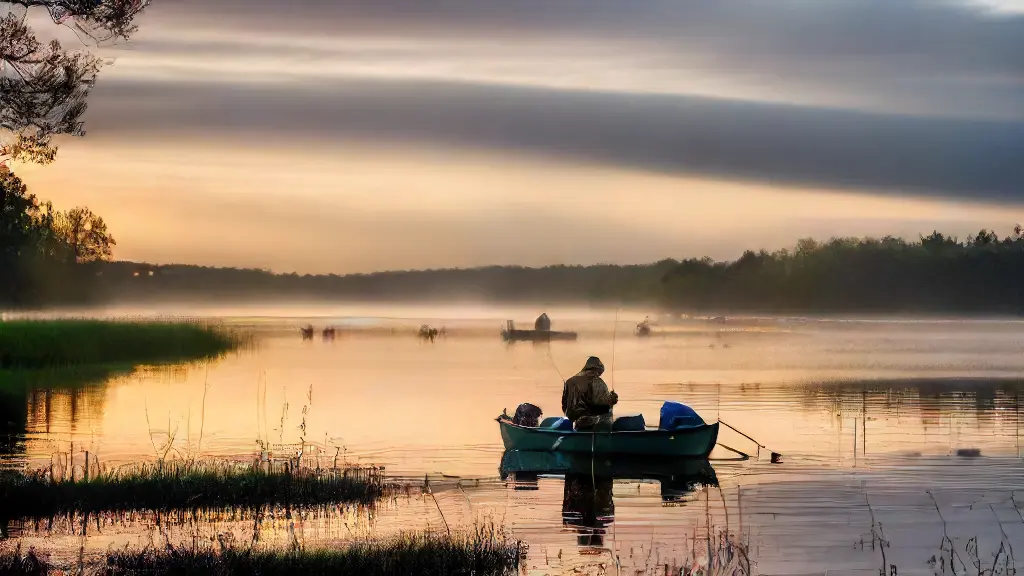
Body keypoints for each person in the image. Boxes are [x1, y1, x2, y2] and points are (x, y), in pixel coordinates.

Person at [561, 356, 618, 431]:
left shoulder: (569, 381)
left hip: (576, 423)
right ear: (598, 369)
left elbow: (564, 405)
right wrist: (612, 400)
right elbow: (601, 405)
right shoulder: (596, 380)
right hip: (595, 426)